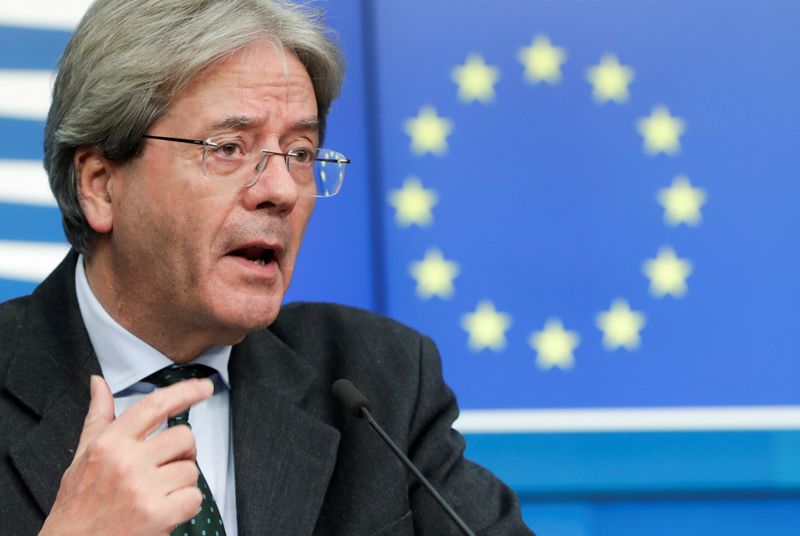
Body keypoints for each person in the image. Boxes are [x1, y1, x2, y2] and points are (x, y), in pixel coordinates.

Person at [0, 1, 534, 534]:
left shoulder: (378, 384)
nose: (280, 190)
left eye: (300, 153)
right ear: (100, 184)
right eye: (229, 148)